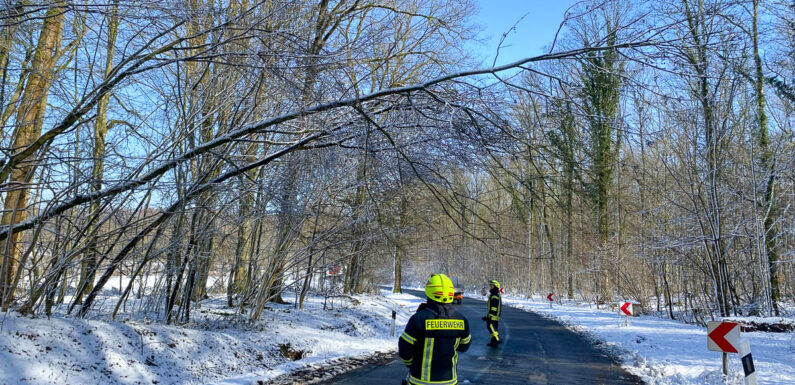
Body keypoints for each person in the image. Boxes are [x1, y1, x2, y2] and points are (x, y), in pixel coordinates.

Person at [399, 274, 471, 385]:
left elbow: (405, 349)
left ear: (429, 291)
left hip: (420, 381)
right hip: (449, 381)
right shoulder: (462, 320)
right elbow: (464, 346)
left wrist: (411, 364)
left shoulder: (418, 319)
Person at [481, 279, 502, 347]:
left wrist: (490, 315)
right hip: (493, 315)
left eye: (492, 286)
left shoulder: (495, 294)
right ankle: (493, 342)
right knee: (492, 327)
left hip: (494, 315)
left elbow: (494, 306)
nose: (490, 287)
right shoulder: (493, 293)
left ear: (495, 286)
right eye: (490, 285)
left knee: (491, 327)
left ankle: (497, 339)